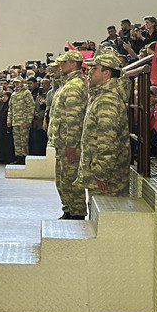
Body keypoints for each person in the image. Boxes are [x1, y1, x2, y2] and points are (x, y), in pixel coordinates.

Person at [75, 52, 131, 198]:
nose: (89, 71)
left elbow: (107, 141)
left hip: (107, 179)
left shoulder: (108, 101)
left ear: (106, 73)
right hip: (100, 174)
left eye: (94, 68)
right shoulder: (100, 96)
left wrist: (101, 173)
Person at [47, 50, 88, 219]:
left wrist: (71, 144)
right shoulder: (66, 85)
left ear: (73, 64)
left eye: (64, 63)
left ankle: (77, 213)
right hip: (62, 142)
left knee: (71, 180)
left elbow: (74, 119)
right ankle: (68, 210)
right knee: (63, 180)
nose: (60, 66)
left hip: (69, 144)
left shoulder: (75, 86)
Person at [7, 76, 34, 165]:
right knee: (17, 141)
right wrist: (9, 120)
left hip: (24, 121)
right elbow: (10, 108)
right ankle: (18, 157)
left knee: (24, 141)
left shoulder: (26, 93)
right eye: (15, 83)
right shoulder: (13, 94)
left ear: (22, 83)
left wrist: (29, 120)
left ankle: (24, 157)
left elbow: (31, 107)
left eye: (18, 82)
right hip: (15, 121)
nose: (17, 84)